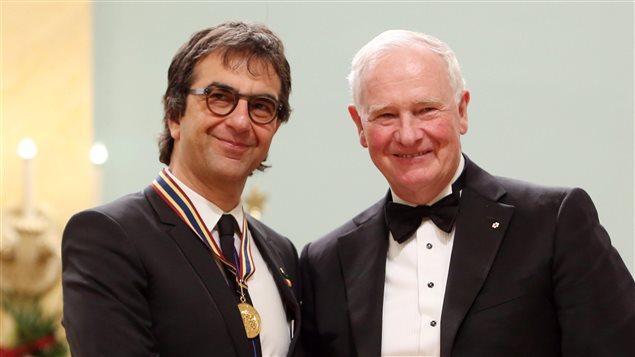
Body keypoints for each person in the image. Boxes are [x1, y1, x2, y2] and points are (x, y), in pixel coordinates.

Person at [300, 29, 635, 357]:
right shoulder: (325, 263)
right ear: (360, 126)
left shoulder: (554, 223)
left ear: (462, 111)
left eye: (426, 110)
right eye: (386, 115)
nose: (408, 134)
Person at [62, 21, 301, 357]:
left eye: (261, 106)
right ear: (174, 114)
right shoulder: (108, 237)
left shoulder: (281, 253)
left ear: (275, 127)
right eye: (220, 97)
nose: (240, 121)